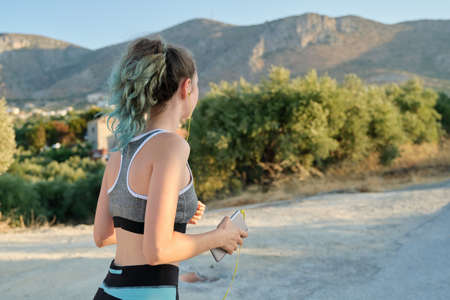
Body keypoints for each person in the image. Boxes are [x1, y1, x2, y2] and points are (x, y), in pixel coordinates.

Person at [92, 37, 249, 300]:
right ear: (186, 87)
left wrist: (170, 221)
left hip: (110, 291)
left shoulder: (120, 152)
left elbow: (103, 235)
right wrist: (219, 237)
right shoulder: (172, 146)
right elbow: (158, 251)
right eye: (197, 85)